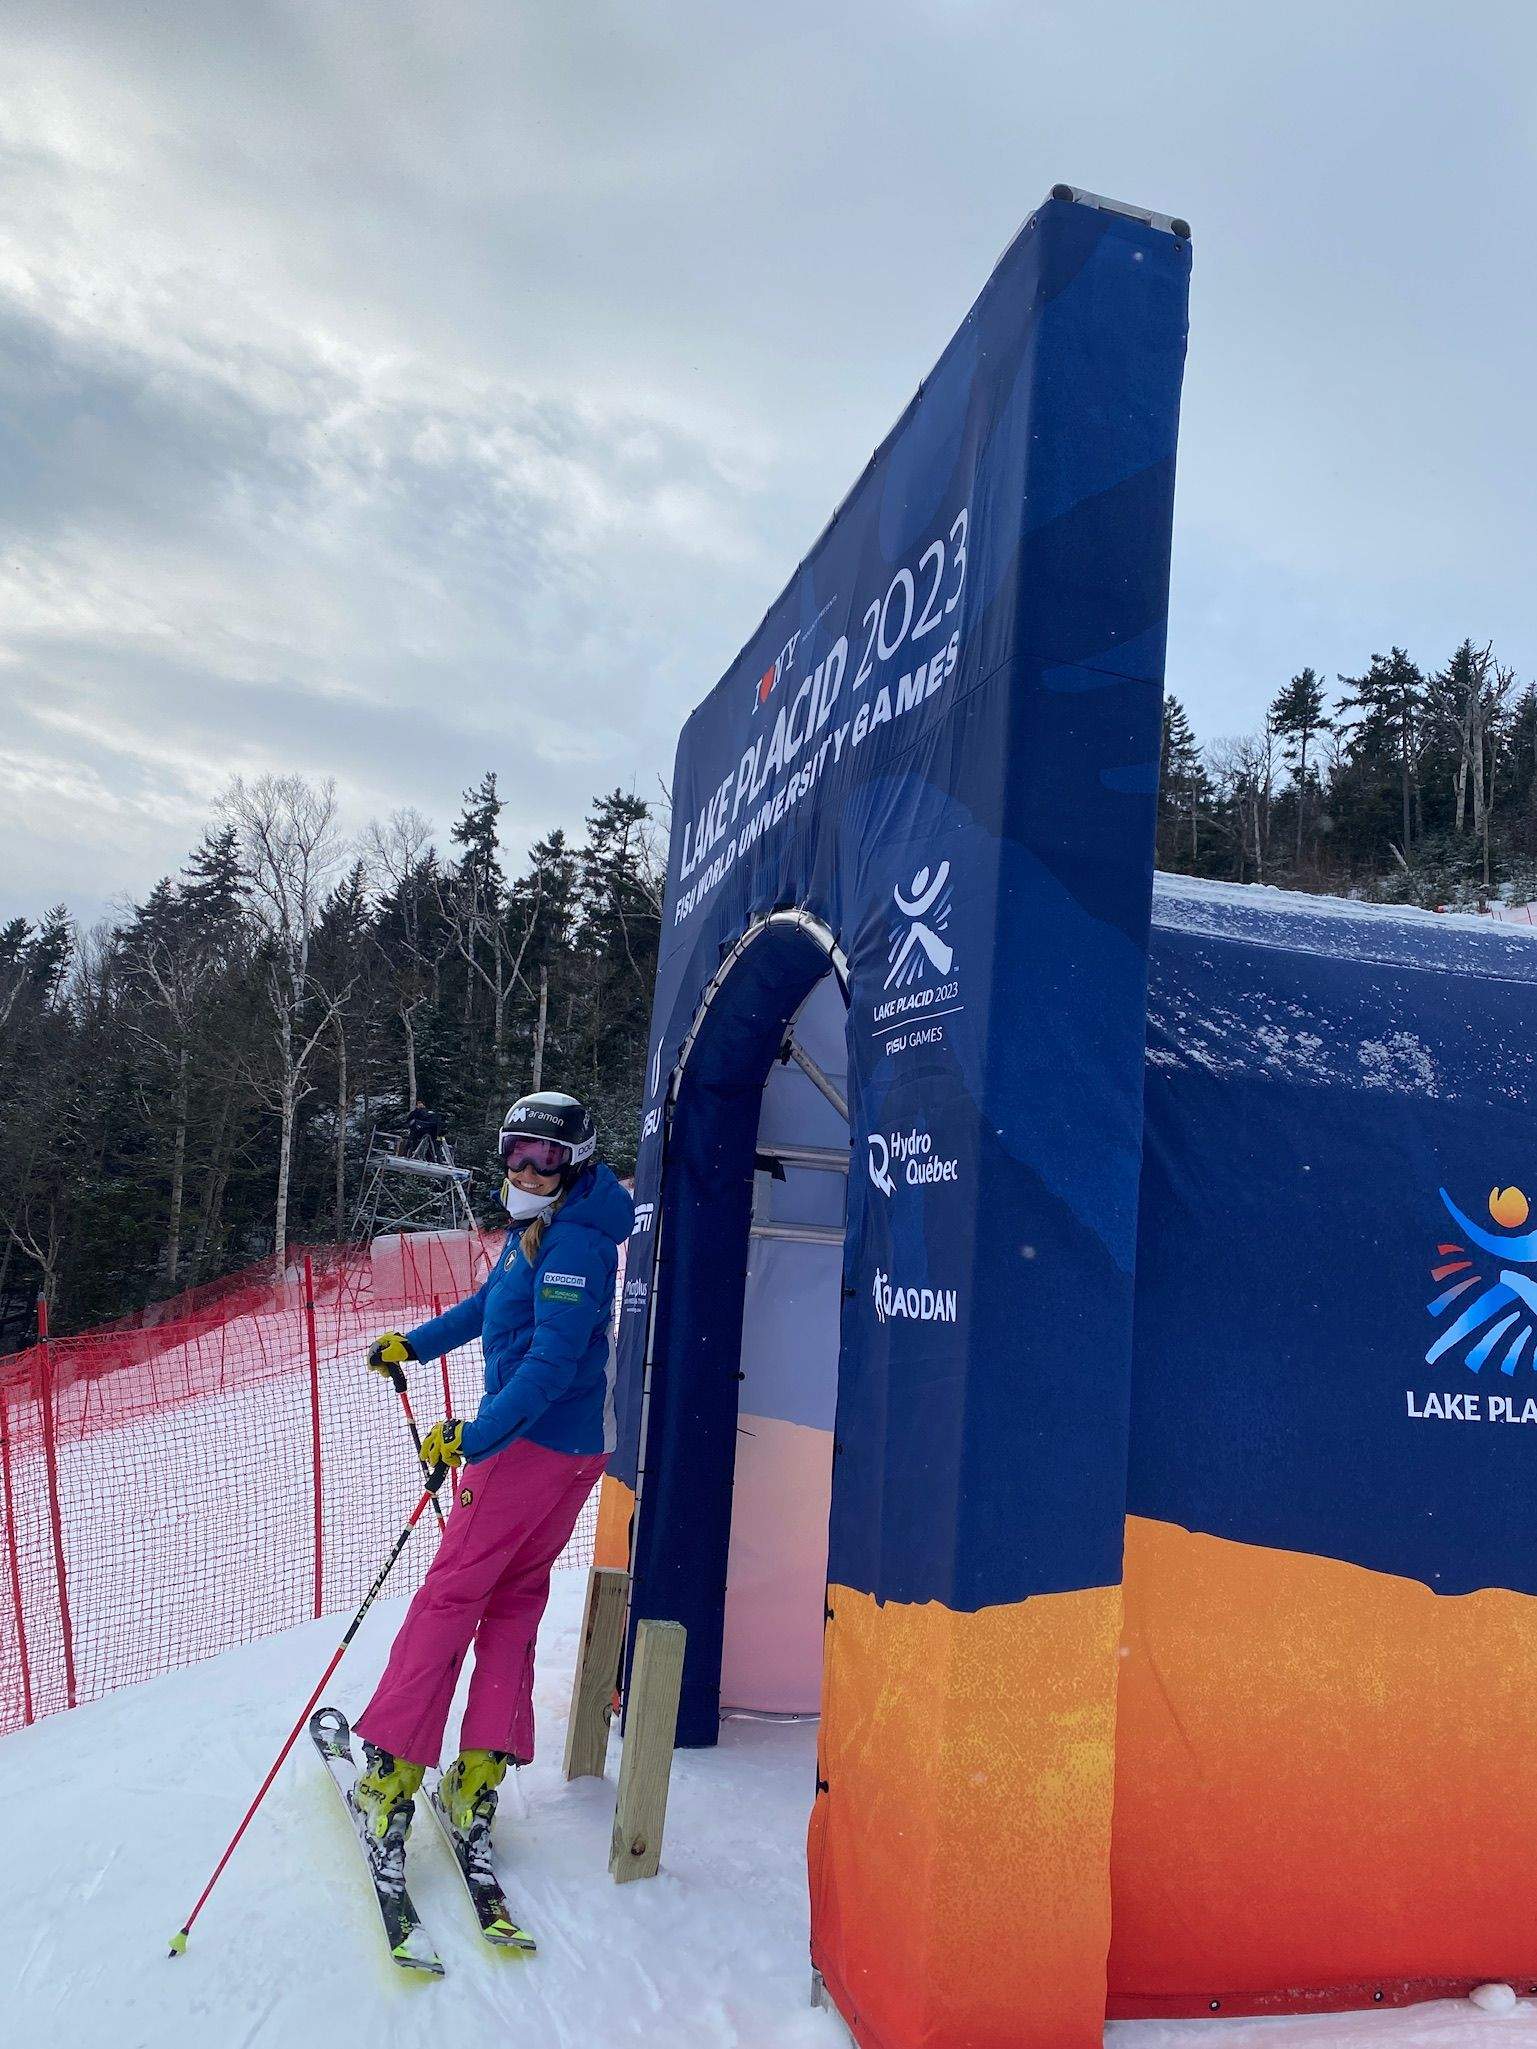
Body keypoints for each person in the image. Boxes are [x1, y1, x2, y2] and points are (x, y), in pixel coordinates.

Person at [352, 1088, 633, 1852]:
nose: (529, 1168)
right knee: (512, 1597)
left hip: (532, 1446)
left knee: (450, 1595)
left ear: (575, 1161)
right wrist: (414, 1343)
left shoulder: (574, 1242)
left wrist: (475, 1435)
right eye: (517, 1151)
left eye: (545, 1157)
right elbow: (490, 1305)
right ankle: (477, 1773)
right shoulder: (539, 1226)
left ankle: (391, 1771)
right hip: (562, 1449)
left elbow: (550, 1363)